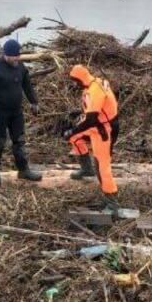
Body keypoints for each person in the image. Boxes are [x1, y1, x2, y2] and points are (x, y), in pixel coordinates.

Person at [0, 38, 43, 188]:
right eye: (13, 56)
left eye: (18, 56)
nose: (16, 59)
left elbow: (27, 85)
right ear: (5, 55)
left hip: (16, 112)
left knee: (19, 141)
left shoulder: (20, 66)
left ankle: (23, 170)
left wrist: (34, 102)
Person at [65, 64, 120, 210]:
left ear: (80, 79)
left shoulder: (95, 90)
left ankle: (112, 201)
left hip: (104, 130)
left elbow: (90, 119)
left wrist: (73, 129)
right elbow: (92, 111)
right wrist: (76, 124)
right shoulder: (93, 83)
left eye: (75, 81)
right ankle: (86, 168)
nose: (75, 85)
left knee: (102, 166)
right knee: (75, 138)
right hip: (96, 125)